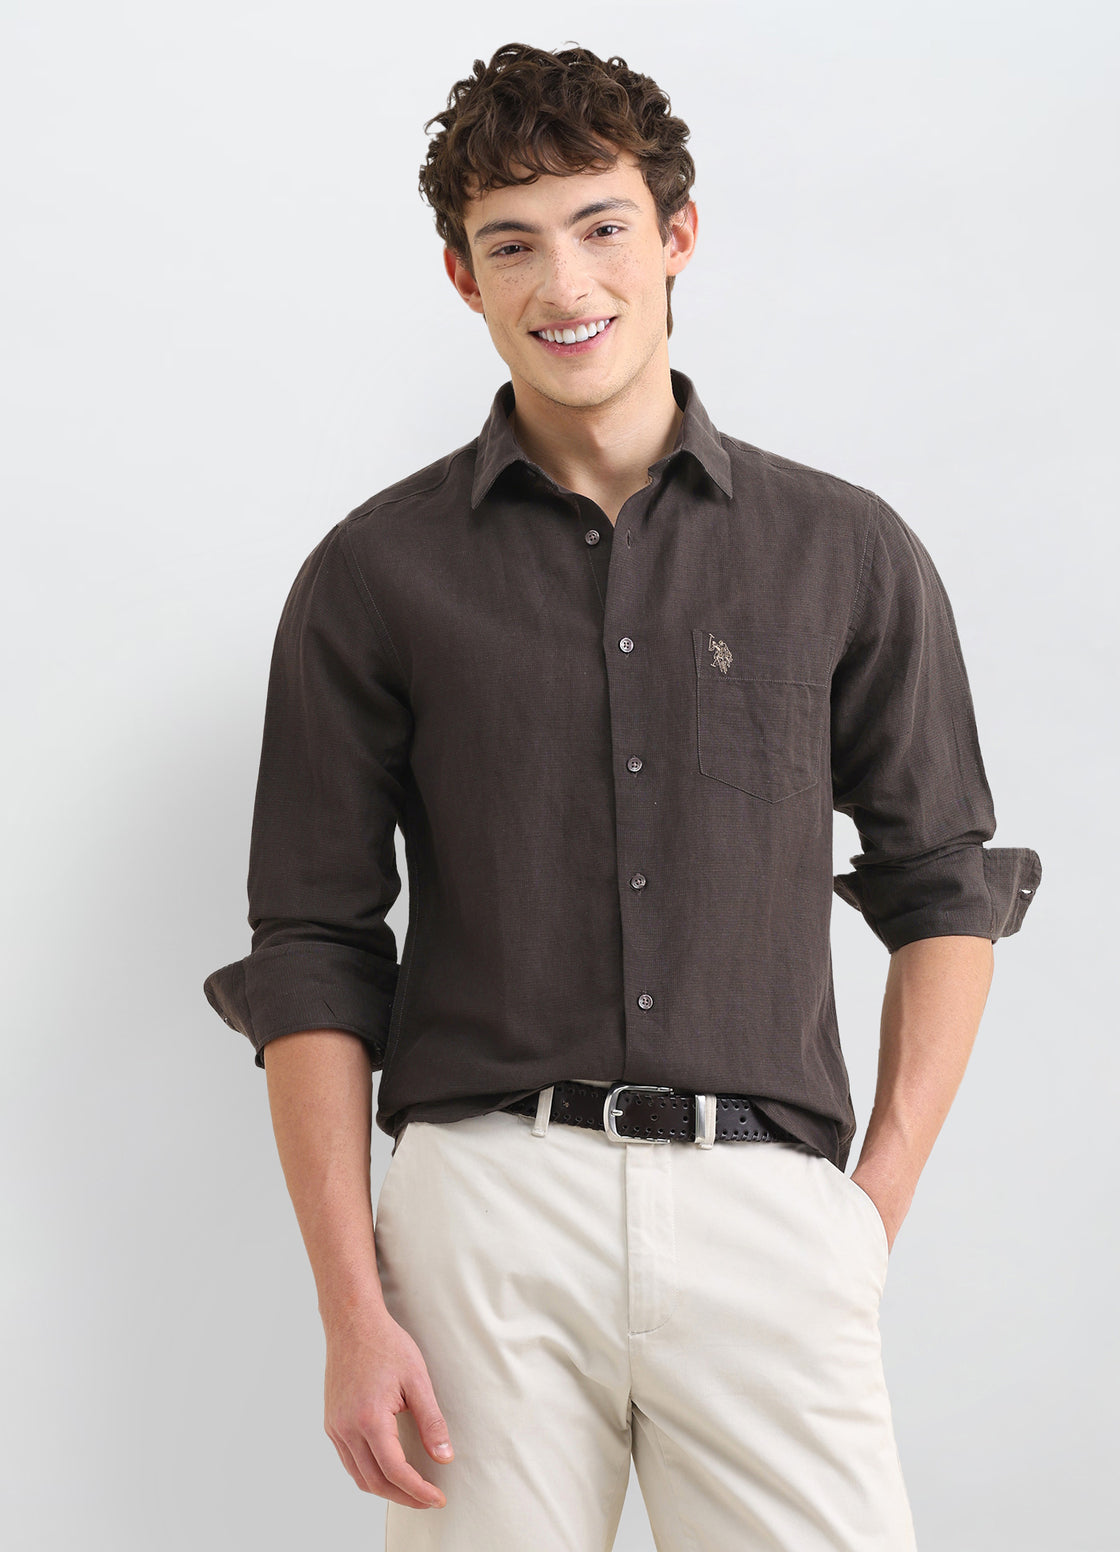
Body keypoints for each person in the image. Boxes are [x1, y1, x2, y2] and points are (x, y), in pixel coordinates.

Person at [203, 40, 1042, 1551]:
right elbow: (314, 945)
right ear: (462, 276)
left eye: (601, 226)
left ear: (676, 236)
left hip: (768, 1206)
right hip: (485, 1213)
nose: (564, 282)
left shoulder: (844, 551)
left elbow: (943, 884)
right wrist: (351, 1303)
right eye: (511, 244)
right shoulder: (376, 573)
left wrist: (870, 1208)